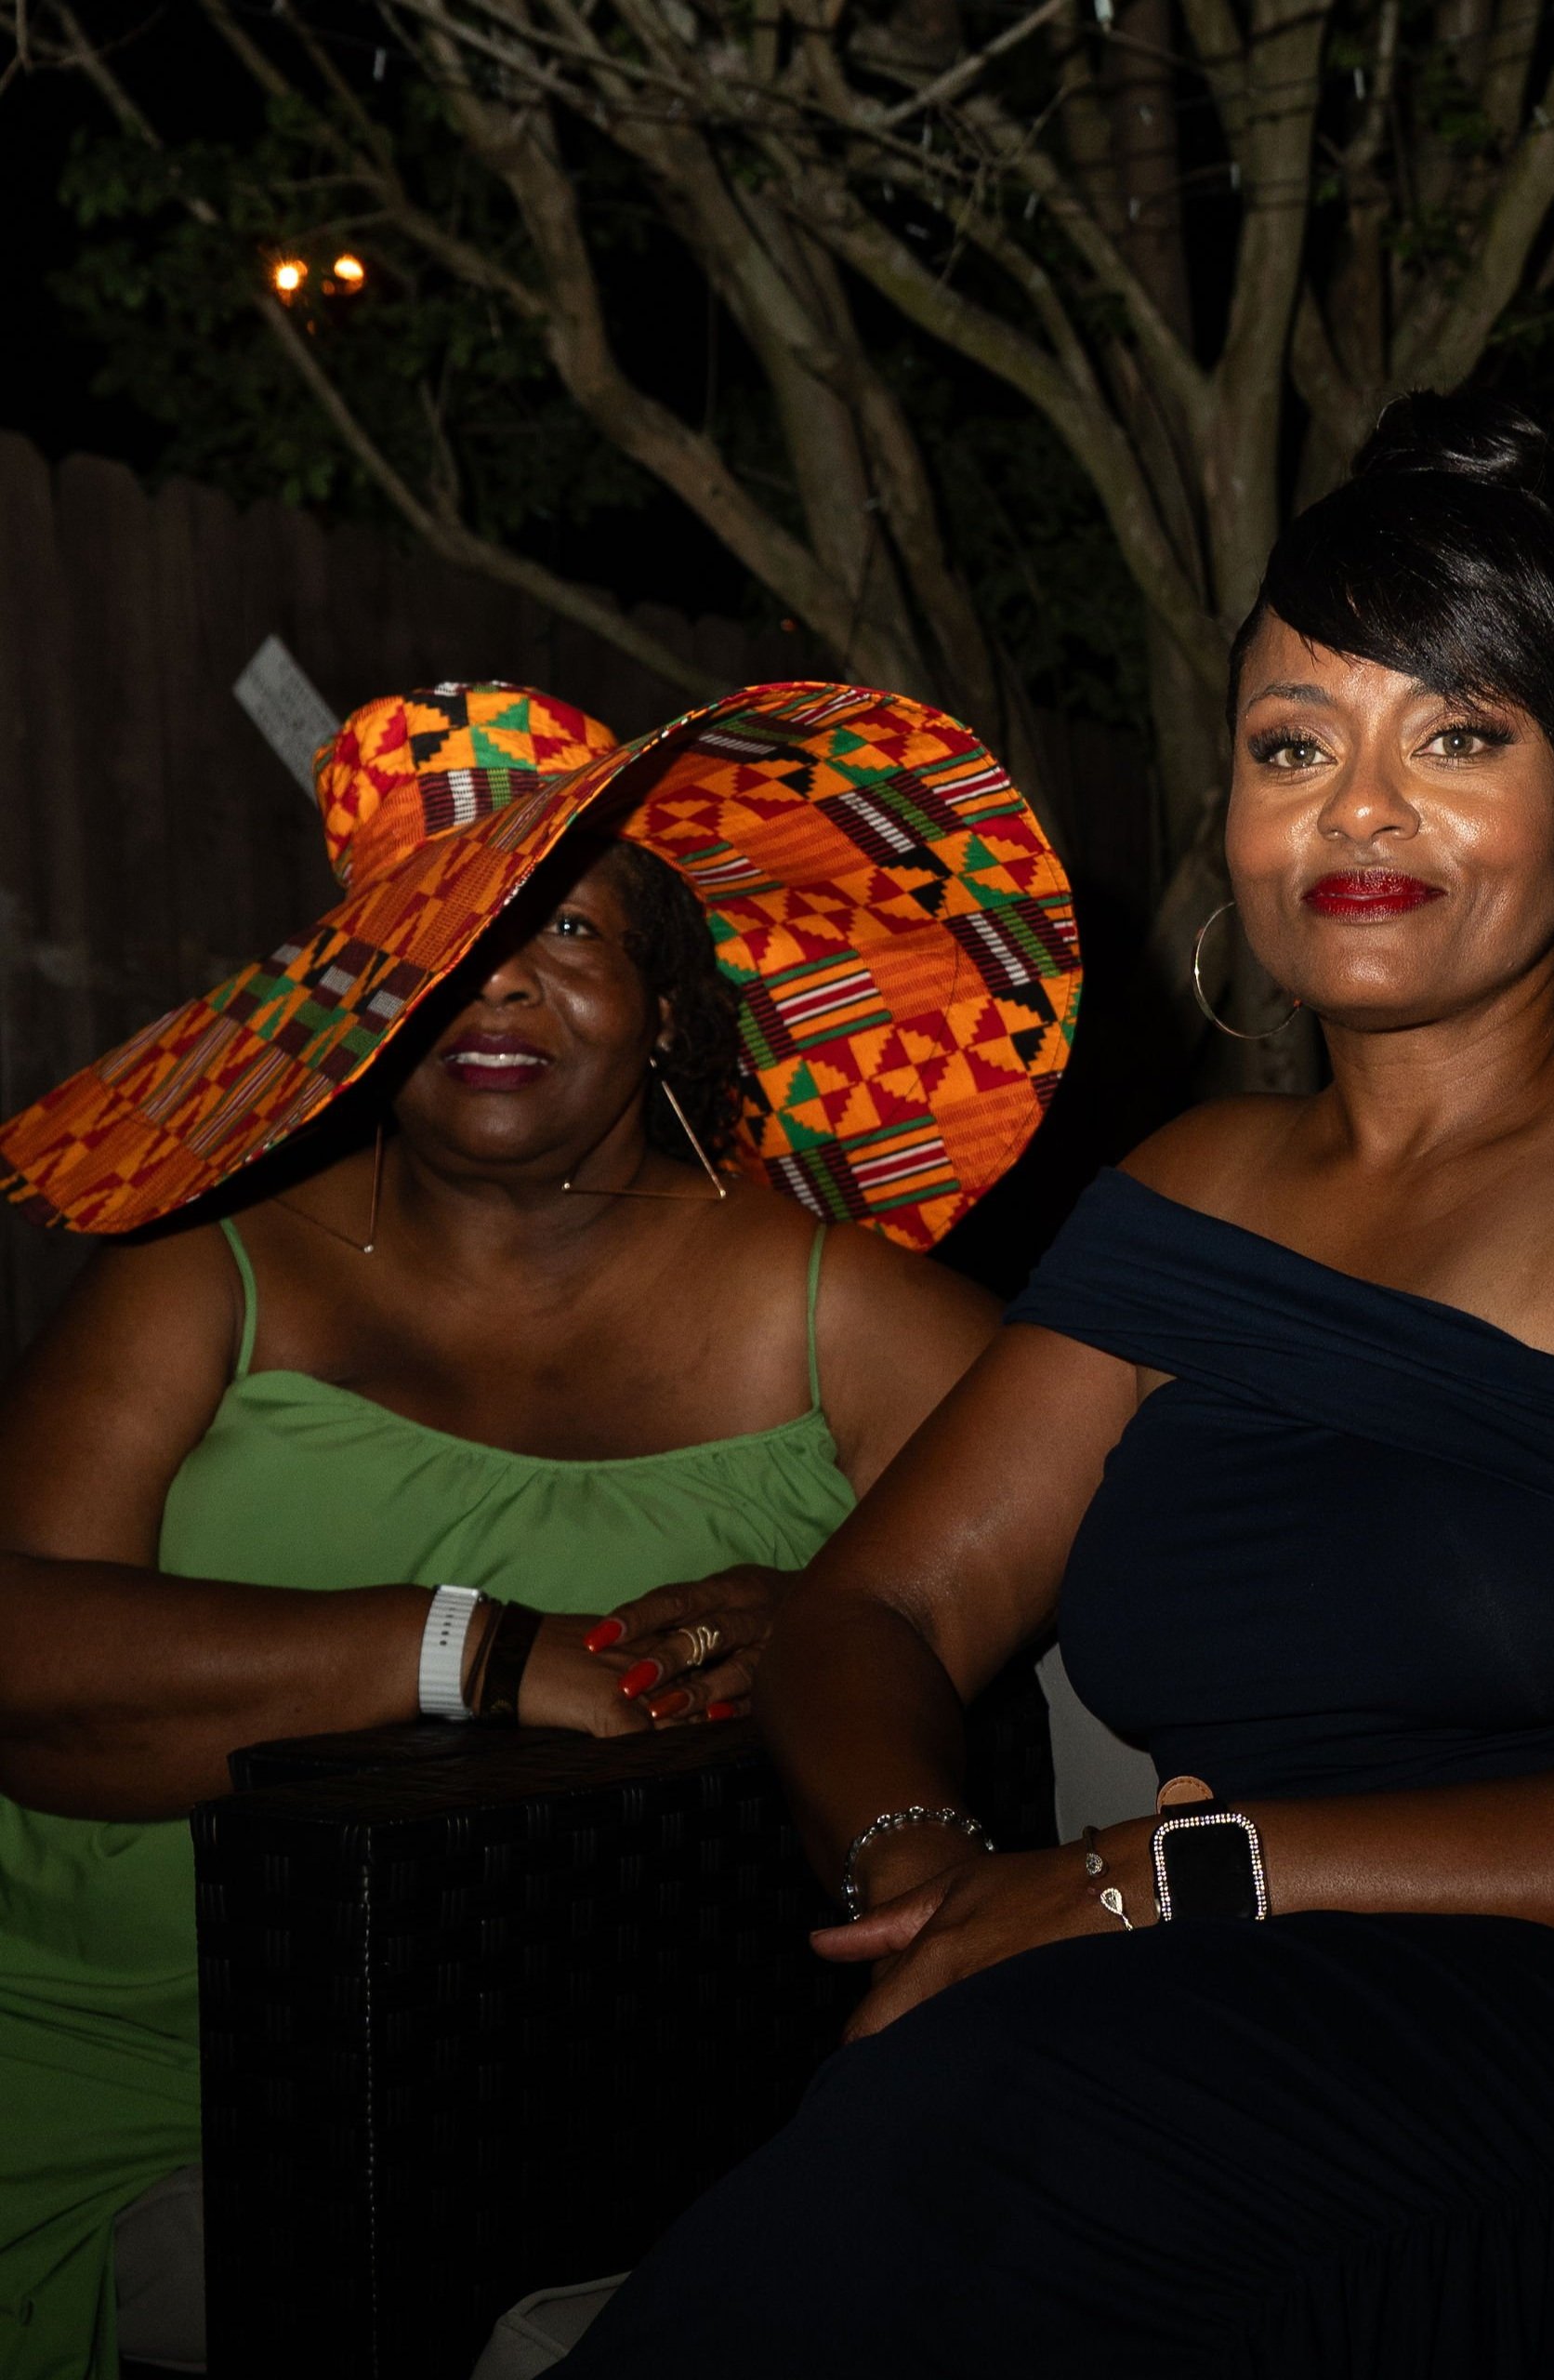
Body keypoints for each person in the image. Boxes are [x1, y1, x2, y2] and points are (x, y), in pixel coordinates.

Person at [561, 398, 1554, 2380]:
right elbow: (875, 1605)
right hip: (1201, 2016)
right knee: (982, 2104)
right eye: (1295, 747)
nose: (1357, 812)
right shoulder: (1185, 1199)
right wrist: (925, 1863)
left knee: (1019, 2122)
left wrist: (1157, 1874)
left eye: (1456, 737)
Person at [0, 676, 1081, 2380]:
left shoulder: (838, 1308)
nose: (494, 980)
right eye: (432, 941)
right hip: (130, 2062)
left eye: (566, 929)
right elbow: (21, 1655)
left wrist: (835, 1604)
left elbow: (1142, 1544)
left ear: (662, 1001)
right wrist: (477, 1652)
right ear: (356, 1007)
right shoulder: (203, 1272)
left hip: (646, 2066)